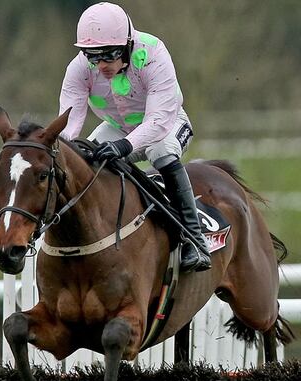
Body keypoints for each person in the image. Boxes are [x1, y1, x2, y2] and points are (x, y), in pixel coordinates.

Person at [58, 2, 212, 272]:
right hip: (117, 127)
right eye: (94, 57)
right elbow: (69, 124)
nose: (102, 64)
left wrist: (125, 145)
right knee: (84, 159)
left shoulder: (153, 53)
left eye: (110, 54)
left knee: (160, 152)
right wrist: (63, 152)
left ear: (128, 44)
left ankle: (195, 240)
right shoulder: (79, 67)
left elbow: (158, 120)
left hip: (166, 123)